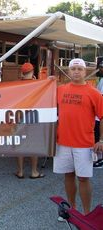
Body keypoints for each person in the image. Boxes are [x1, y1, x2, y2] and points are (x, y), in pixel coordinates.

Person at [54, 58, 103, 217]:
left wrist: (101, 140)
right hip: (63, 142)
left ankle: (87, 213)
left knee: (83, 178)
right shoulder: (60, 90)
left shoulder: (94, 93)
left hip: (84, 143)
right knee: (68, 175)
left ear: (85, 72)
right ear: (68, 71)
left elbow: (102, 117)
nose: (76, 71)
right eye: (73, 68)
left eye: (79, 69)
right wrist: (47, 83)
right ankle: (72, 209)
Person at [14, 63, 45, 179]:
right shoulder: (38, 84)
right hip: (33, 118)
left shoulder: (17, 85)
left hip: (19, 118)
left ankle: (20, 171)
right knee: (34, 145)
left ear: (22, 72)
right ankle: (34, 172)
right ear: (32, 72)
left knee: (19, 144)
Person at [93, 62, 103, 168]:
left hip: (100, 108)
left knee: (99, 131)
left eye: (101, 68)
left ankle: (100, 158)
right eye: (99, 67)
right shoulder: (100, 79)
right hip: (99, 108)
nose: (100, 69)